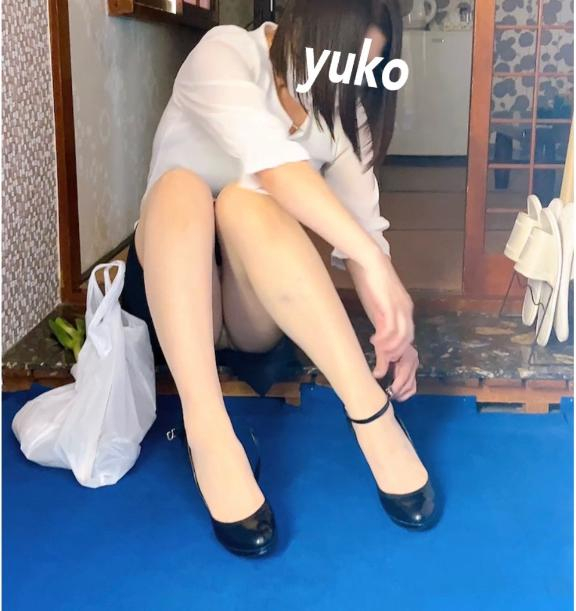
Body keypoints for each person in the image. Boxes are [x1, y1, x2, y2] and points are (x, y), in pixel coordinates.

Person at [121, 0, 440, 557]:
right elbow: (275, 165)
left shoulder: (345, 109)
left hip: (254, 308)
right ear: (306, 32)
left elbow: (363, 229)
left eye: (366, 68)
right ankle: (209, 433)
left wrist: (394, 325)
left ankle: (372, 414)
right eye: (341, 60)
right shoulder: (225, 53)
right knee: (181, 189)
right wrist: (373, 261)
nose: (349, 79)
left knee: (246, 204)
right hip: (173, 295)